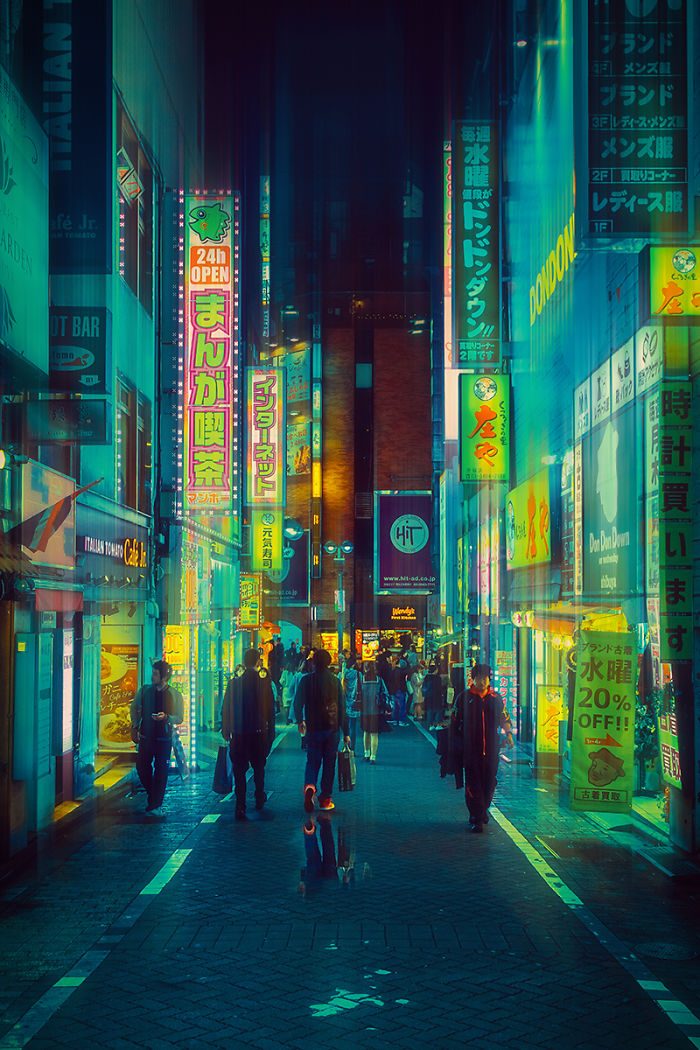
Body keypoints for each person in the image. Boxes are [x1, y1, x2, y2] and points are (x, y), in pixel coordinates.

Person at [452, 662, 514, 833]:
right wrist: (454, 746)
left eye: (485, 677)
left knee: (489, 782)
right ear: (473, 679)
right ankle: (476, 817)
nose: (482, 681)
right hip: (470, 749)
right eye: (479, 677)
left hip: (492, 749)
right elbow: (454, 722)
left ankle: (482, 809)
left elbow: (504, 717)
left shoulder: (495, 698)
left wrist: (508, 734)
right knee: (473, 782)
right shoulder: (464, 697)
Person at [221, 649, 275, 821]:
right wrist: (271, 733)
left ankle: (240, 805)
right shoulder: (264, 683)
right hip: (259, 733)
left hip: (239, 733)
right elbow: (270, 710)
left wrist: (226, 729)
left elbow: (226, 707)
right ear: (258, 662)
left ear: (244, 663)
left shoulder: (233, 684)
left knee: (239, 771)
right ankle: (259, 797)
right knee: (259, 768)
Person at [294, 648, 351, 812]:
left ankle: (310, 786)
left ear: (314, 662)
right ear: (329, 663)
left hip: (313, 728)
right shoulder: (335, 681)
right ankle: (325, 799)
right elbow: (342, 708)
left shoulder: (306, 680)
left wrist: (300, 720)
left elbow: (298, 702)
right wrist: (346, 732)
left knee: (312, 761)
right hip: (332, 729)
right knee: (329, 764)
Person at [130, 660, 184, 817]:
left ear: (164, 676)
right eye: (152, 673)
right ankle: (153, 796)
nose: (152, 677)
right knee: (142, 767)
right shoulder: (144, 691)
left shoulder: (175, 695)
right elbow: (134, 707)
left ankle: (155, 804)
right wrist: (135, 725)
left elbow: (179, 717)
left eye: (155, 674)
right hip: (146, 737)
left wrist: (166, 717)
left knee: (161, 771)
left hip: (164, 739)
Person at [360, 659, 389, 763]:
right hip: (376, 711)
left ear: (365, 669)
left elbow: (356, 693)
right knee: (374, 734)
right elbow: (385, 693)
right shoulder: (379, 680)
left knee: (366, 732)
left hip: (364, 711)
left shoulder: (362, 679)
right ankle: (373, 756)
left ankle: (366, 753)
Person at [340, 654, 363, 753]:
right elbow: (362, 687)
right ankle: (352, 748)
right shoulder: (358, 674)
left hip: (344, 703)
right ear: (353, 665)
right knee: (353, 726)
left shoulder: (342, 674)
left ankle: (345, 746)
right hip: (354, 703)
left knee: (345, 727)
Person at [422, 662, 445, 729]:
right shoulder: (437, 678)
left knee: (430, 711)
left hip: (428, 697)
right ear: (435, 670)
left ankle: (430, 725)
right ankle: (437, 724)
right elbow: (438, 688)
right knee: (438, 710)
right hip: (436, 697)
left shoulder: (427, 677)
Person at [391, 657, 409, 726]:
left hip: (394, 690)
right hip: (401, 690)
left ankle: (395, 720)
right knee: (402, 706)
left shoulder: (394, 671)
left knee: (396, 706)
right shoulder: (403, 672)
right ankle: (401, 721)